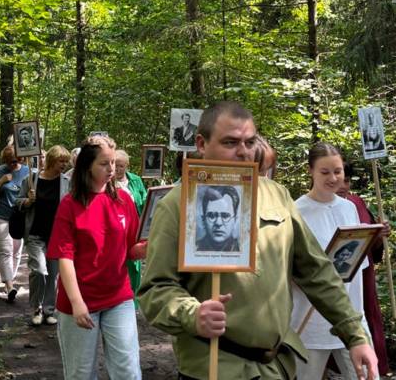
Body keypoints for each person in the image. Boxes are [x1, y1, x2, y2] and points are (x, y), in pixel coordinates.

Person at [139, 101, 377, 380]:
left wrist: (355, 335)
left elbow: (316, 271)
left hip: (276, 365)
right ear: (202, 144)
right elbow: (155, 290)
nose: (243, 152)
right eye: (230, 142)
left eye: (250, 142)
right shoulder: (178, 205)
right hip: (216, 366)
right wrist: (192, 314)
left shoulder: (276, 195)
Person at [47, 135, 148, 379]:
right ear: (87, 166)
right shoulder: (70, 204)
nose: (111, 169)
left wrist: (150, 246)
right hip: (80, 300)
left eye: (113, 162)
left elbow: (132, 248)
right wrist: (76, 302)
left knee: (128, 371)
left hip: (119, 296)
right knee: (80, 374)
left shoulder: (123, 200)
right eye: (104, 163)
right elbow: (64, 257)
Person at [290, 142, 379, 380]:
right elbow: (291, 270)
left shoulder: (349, 208)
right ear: (310, 171)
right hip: (311, 321)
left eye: (338, 171)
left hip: (352, 318)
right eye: (325, 172)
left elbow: (358, 269)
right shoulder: (296, 212)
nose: (333, 178)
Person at [336, 164, 391, 376]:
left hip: (361, 271)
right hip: (333, 277)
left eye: (346, 179)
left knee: (367, 313)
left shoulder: (356, 203)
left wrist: (379, 233)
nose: (342, 184)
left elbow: (369, 240)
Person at [17, 145, 71, 326]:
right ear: (51, 161)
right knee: (39, 270)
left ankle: (49, 311)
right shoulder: (32, 179)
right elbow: (16, 201)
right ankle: (36, 308)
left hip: (57, 236)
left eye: (65, 161)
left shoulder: (66, 182)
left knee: (52, 275)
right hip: (35, 233)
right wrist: (27, 200)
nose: (63, 164)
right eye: (60, 161)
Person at [0, 146, 30, 302]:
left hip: (20, 216)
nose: (13, 164)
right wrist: (2, 181)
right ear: (5, 160)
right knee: (6, 250)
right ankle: (10, 286)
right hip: (2, 216)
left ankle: (9, 279)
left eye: (16, 161)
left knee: (17, 251)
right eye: (10, 162)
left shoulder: (27, 171)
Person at [114, 150, 148, 306]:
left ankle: (131, 302)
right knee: (117, 265)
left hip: (135, 230)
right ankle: (118, 299)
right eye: (116, 165)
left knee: (134, 267)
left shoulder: (135, 180)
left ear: (127, 166)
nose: (118, 169)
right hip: (116, 230)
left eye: (121, 166)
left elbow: (145, 200)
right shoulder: (107, 181)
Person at [195, 185, 241, 252]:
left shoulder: (243, 251)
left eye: (225, 216)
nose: (218, 223)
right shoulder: (194, 248)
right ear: (203, 219)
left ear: (235, 219)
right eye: (211, 216)